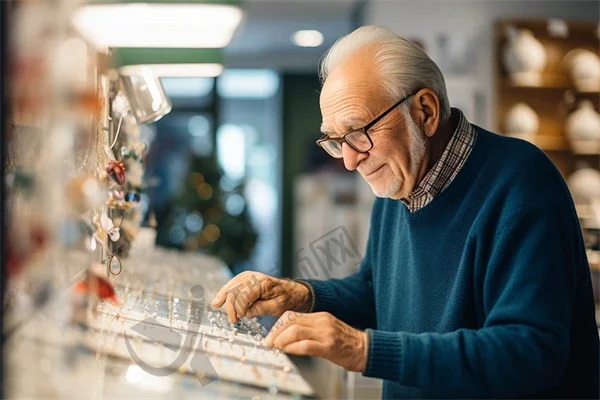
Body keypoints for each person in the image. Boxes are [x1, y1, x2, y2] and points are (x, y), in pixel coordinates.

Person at [212, 25, 600, 399]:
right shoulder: (399, 182)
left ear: (426, 112)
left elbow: (530, 352)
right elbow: (376, 291)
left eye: (359, 132)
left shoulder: (520, 183)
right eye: (336, 141)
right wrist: (302, 294)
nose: (349, 161)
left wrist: (364, 350)